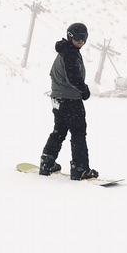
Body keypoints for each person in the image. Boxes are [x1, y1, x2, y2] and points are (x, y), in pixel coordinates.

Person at [39, 22, 98, 180]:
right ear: (70, 36)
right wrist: (84, 90)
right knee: (78, 133)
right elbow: (73, 77)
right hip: (70, 99)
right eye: (78, 38)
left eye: (84, 38)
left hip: (58, 99)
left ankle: (47, 162)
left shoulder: (65, 51)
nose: (81, 41)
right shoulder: (70, 53)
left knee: (59, 131)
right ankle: (80, 169)